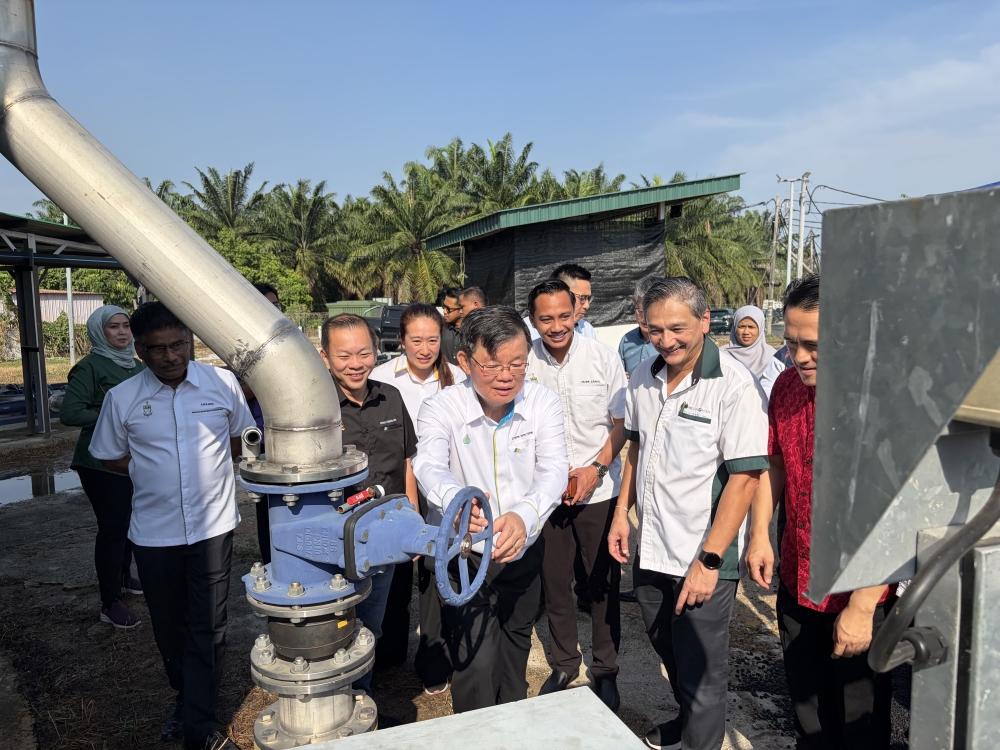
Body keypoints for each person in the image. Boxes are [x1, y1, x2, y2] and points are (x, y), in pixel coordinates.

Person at [607, 278, 768, 750]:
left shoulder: (734, 387)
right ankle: (687, 724)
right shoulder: (643, 377)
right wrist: (622, 513)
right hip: (654, 547)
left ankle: (700, 739)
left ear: (703, 321)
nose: (666, 339)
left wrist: (711, 561)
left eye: (677, 327)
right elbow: (634, 448)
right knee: (668, 649)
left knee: (702, 671)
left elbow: (744, 478)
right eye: (654, 329)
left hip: (704, 556)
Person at [89, 302, 254, 750]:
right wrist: (154, 473)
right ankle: (186, 696)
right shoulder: (122, 398)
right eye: (157, 349)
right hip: (154, 531)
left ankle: (199, 725)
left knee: (210, 625)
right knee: (169, 627)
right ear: (140, 351)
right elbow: (109, 454)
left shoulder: (221, 384)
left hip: (213, 527)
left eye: (178, 344)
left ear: (190, 340)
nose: (170, 356)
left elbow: (241, 438)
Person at [745, 274, 895, 749]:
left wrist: (864, 604)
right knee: (808, 717)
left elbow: (894, 508)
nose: (799, 355)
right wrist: (759, 534)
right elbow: (774, 463)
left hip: (861, 592)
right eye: (790, 342)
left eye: (812, 344)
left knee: (859, 725)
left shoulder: (880, 402)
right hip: (798, 580)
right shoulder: (786, 387)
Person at [412, 305, 568, 713]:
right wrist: (457, 505)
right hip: (465, 557)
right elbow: (427, 463)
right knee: (475, 662)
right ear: (464, 361)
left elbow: (553, 470)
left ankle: (511, 727)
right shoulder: (442, 407)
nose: (506, 377)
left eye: (517, 364)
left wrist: (526, 515)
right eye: (493, 365)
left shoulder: (543, 403)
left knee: (515, 651)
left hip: (522, 550)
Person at [525, 280, 627, 711]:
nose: (556, 326)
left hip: (599, 492)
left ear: (578, 312)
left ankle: (605, 670)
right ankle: (565, 663)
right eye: (545, 318)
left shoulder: (603, 359)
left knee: (602, 583)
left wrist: (596, 469)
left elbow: (622, 424)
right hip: (546, 498)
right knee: (555, 584)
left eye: (564, 316)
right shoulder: (523, 361)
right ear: (532, 320)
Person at [319, 313, 419, 694]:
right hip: (336, 538)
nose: (356, 363)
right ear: (325, 357)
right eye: (344, 356)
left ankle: (359, 696)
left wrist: (411, 517)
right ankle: (332, 699)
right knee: (334, 625)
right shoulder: (316, 408)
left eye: (364, 353)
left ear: (376, 351)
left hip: (384, 534)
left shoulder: (390, 396)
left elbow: (407, 460)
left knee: (371, 623)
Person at [370, 304, 466, 694]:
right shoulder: (380, 378)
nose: (425, 348)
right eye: (416, 340)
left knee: (435, 571)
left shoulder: (458, 378)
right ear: (401, 341)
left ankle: (434, 658)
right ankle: (388, 652)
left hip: (443, 491)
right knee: (393, 574)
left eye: (432, 339)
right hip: (398, 489)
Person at [60, 305, 147, 629]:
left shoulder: (138, 367)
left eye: (126, 326)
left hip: (132, 458)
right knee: (112, 528)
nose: (122, 332)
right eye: (114, 327)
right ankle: (109, 602)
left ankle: (124, 577)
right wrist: (112, 415)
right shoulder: (90, 368)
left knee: (129, 522)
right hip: (98, 462)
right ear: (99, 332)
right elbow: (70, 413)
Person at [243, 283, 282, 565]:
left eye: (275, 304)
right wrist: (264, 373)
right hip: (262, 446)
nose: (271, 310)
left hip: (290, 441)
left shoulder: (289, 343)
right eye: (263, 304)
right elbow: (239, 393)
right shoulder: (239, 347)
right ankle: (272, 564)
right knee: (268, 512)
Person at [721, 305, 784, 398]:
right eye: (742, 326)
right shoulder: (721, 355)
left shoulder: (773, 357)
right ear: (734, 327)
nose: (746, 332)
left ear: (760, 328)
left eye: (751, 327)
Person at [524, 264, 597, 341]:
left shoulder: (586, 329)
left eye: (588, 298)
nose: (587, 305)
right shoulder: (524, 332)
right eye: (582, 298)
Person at [618, 276, 660, 377]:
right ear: (634, 302)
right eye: (640, 311)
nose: (645, 319)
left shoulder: (669, 342)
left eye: (651, 312)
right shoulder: (626, 341)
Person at [440, 288, 464, 365]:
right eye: (444, 306)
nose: (444, 311)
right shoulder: (439, 328)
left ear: (461, 310)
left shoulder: (475, 333)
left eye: (448, 309)